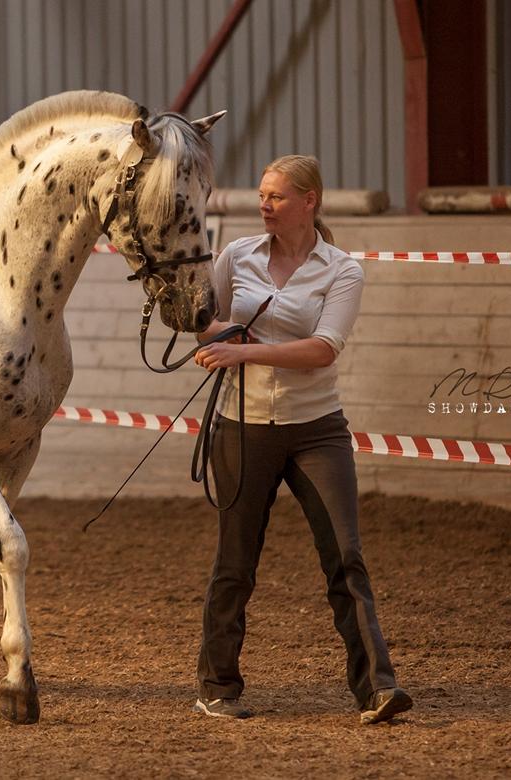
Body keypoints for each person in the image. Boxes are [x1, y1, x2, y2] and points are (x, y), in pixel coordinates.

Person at [190, 155, 412, 725]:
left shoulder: (341, 270)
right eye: (262, 195)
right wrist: (201, 325)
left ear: (309, 201)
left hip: (318, 430)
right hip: (242, 426)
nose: (264, 204)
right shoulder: (236, 256)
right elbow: (202, 320)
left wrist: (242, 349)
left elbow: (323, 348)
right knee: (235, 562)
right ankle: (217, 685)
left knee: (345, 557)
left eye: (277, 197)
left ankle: (377, 688)